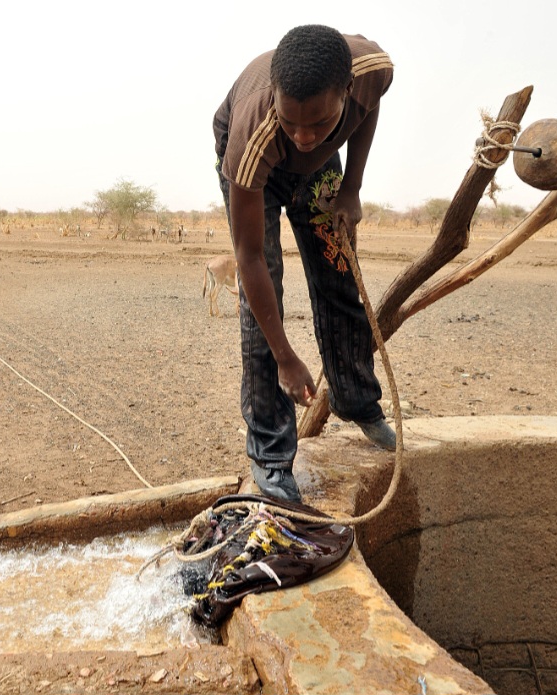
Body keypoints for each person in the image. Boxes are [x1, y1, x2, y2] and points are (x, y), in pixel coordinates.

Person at [213, 25, 397, 503]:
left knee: (339, 275)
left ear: (346, 91)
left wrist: (352, 186)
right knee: (262, 307)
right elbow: (250, 257)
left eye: (317, 121)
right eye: (291, 121)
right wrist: (286, 358)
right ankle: (271, 456)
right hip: (259, 172)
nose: (303, 136)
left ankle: (359, 403)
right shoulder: (253, 139)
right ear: (276, 98)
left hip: (319, 169)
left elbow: (368, 109)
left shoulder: (372, 71)